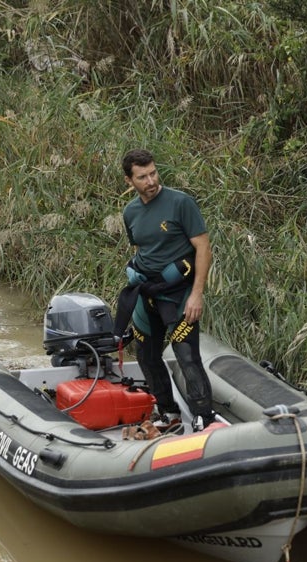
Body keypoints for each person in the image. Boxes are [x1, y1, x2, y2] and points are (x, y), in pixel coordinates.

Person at [117, 149, 217, 432]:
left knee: (187, 356)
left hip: (179, 293)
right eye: (142, 176)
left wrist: (197, 293)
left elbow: (203, 247)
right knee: (147, 356)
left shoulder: (180, 203)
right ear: (129, 181)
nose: (150, 180)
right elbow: (142, 247)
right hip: (146, 294)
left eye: (153, 172)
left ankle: (204, 418)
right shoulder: (130, 212)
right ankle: (168, 412)